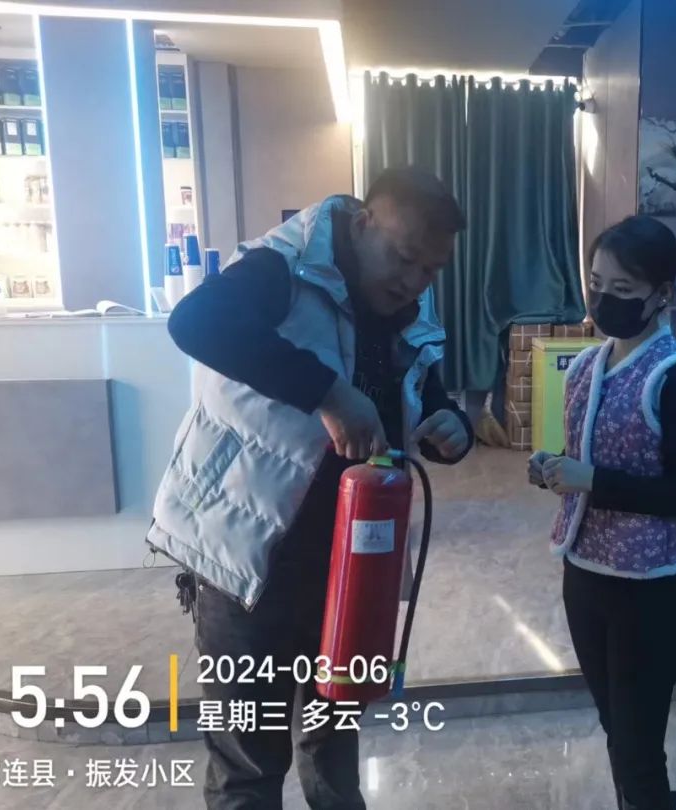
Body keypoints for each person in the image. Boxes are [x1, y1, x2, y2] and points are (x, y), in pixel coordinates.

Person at [147, 167, 473, 809]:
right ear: (363, 224)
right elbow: (196, 322)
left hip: (350, 565)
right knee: (249, 762)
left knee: (333, 741)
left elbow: (426, 389)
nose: (413, 280)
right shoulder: (282, 267)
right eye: (404, 257)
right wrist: (328, 393)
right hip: (250, 560)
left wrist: (451, 425)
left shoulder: (409, 305)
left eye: (431, 269)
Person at [528, 216, 676, 810]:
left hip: (647, 587)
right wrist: (554, 468)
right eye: (595, 283)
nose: (603, 298)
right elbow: (589, 458)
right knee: (617, 727)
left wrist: (590, 480)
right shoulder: (588, 364)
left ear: (661, 293)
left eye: (623, 289)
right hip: (584, 572)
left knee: (637, 746)